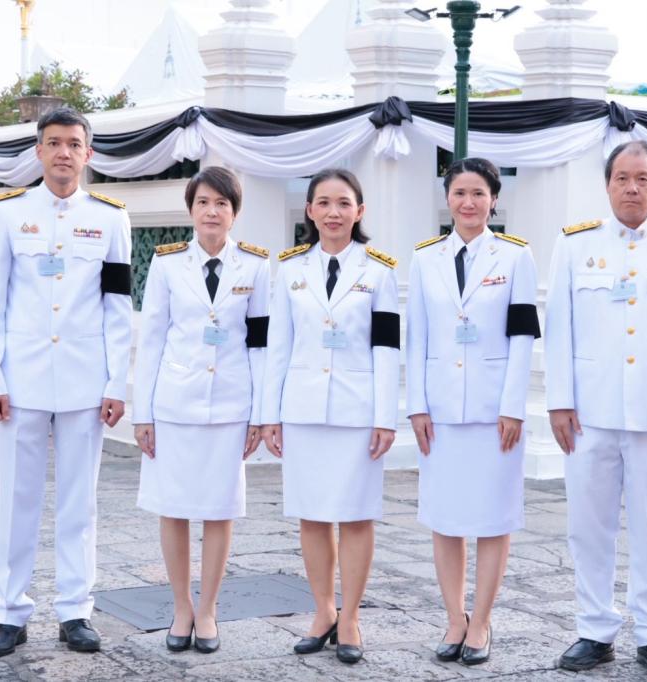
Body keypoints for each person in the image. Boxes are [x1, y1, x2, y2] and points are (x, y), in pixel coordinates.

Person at [544, 140, 647, 681]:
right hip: (588, 413)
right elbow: (559, 330)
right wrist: (559, 402)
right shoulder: (575, 246)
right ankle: (594, 630)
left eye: (642, 178)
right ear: (608, 184)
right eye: (622, 177)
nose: (632, 187)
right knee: (587, 527)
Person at [0, 107, 132, 658]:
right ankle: (10, 612)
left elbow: (118, 308)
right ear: (38, 152)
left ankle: (75, 610)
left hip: (86, 381)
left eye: (74, 143)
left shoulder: (111, 218)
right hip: (21, 381)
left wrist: (118, 382)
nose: (64, 152)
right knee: (17, 500)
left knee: (78, 501)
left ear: (88, 154)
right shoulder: (7, 215)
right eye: (53, 143)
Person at [260, 168, 399, 665]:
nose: (334, 212)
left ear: (359, 211)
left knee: (357, 517)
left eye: (344, 203)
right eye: (324, 202)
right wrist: (268, 415)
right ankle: (322, 611)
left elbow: (387, 349)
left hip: (358, 410)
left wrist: (387, 415)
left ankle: (352, 617)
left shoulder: (380, 271)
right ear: (310, 211)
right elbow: (278, 346)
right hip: (302, 408)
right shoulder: (290, 268)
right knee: (313, 516)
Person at [405, 157, 540, 666]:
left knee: (492, 518)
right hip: (439, 409)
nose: (469, 202)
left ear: (493, 200)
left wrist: (513, 407)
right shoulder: (424, 259)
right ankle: (453, 618)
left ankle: (481, 621)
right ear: (447, 198)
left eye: (479, 194)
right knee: (445, 518)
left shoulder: (515, 257)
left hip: (492, 410)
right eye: (460, 192)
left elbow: (523, 334)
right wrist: (416, 405)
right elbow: (415, 335)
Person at [131, 166, 270, 654]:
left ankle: (208, 609)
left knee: (218, 510)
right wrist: (141, 413)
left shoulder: (255, 266)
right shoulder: (168, 264)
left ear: (235, 212)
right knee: (173, 509)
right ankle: (181, 607)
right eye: (204, 202)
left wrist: (259, 413)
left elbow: (261, 345)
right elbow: (150, 341)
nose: (213, 212)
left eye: (223, 204)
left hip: (231, 405)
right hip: (174, 405)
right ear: (191, 209)